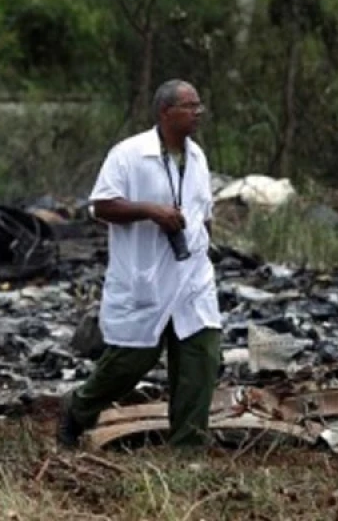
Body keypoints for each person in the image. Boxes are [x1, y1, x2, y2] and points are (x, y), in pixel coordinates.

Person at [58, 79, 221, 449]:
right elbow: (102, 206)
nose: (198, 112)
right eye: (189, 106)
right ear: (165, 112)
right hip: (147, 277)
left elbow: (203, 210)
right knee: (132, 360)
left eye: (199, 105)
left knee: (201, 357)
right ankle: (78, 409)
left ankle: (187, 449)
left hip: (192, 277)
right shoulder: (129, 154)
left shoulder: (197, 157)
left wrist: (206, 249)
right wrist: (151, 211)